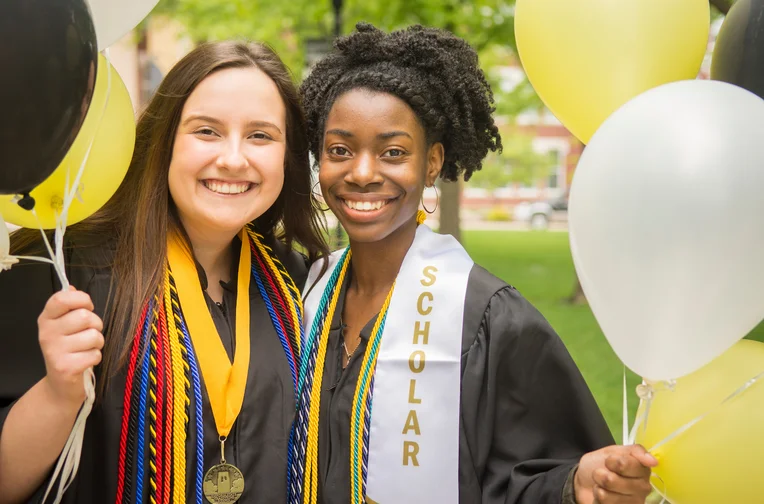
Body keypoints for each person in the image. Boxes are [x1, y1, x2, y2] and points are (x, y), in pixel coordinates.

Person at [288, 23, 656, 504]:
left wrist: (574, 484)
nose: (362, 172)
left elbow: (531, 473)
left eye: (393, 152)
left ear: (433, 162)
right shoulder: (303, 294)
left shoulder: (487, 316)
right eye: (340, 150)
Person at [0, 41, 327, 504]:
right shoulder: (65, 271)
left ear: (287, 156)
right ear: (165, 139)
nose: (234, 159)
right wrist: (59, 392)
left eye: (260, 136)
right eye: (207, 131)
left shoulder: (298, 284)